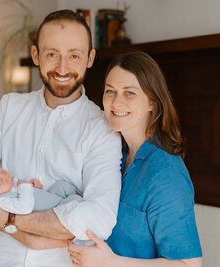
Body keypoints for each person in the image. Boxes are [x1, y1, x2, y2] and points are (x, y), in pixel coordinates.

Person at [0, 9, 122, 267]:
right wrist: (34, 229)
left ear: (90, 58)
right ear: (35, 56)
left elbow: (100, 218)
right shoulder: (9, 108)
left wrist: (8, 220)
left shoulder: (103, 129)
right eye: (52, 54)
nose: (62, 68)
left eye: (74, 55)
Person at [68, 51, 203, 267]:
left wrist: (111, 262)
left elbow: (189, 265)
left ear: (152, 102)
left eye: (129, 93)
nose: (116, 102)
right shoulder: (113, 155)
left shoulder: (165, 172)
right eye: (110, 91)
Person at [0, 162, 82, 215]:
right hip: (54, 210)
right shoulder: (2, 200)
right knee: (74, 202)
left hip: (52, 197)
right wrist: (25, 186)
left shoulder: (9, 185)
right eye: (0, 181)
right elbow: (25, 207)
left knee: (62, 186)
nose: (5, 176)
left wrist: (32, 184)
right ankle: (86, 209)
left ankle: (83, 199)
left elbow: (30, 190)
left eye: (0, 170)